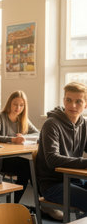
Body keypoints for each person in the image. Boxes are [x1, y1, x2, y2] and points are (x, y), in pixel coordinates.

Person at [36, 82, 87, 219]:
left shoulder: (84, 124)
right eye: (68, 100)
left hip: (75, 180)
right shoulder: (51, 124)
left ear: (85, 105)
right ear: (64, 100)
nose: (73, 106)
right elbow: (53, 160)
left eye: (78, 101)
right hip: (53, 185)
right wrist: (84, 162)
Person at [0, 90, 39, 203]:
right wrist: (12, 139)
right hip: (0, 159)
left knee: (32, 166)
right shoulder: (0, 117)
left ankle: (38, 202)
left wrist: (24, 136)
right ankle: (15, 203)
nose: (18, 108)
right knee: (27, 167)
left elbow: (38, 133)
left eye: (21, 105)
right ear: (9, 104)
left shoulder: (22, 119)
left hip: (16, 157)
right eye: (15, 104)